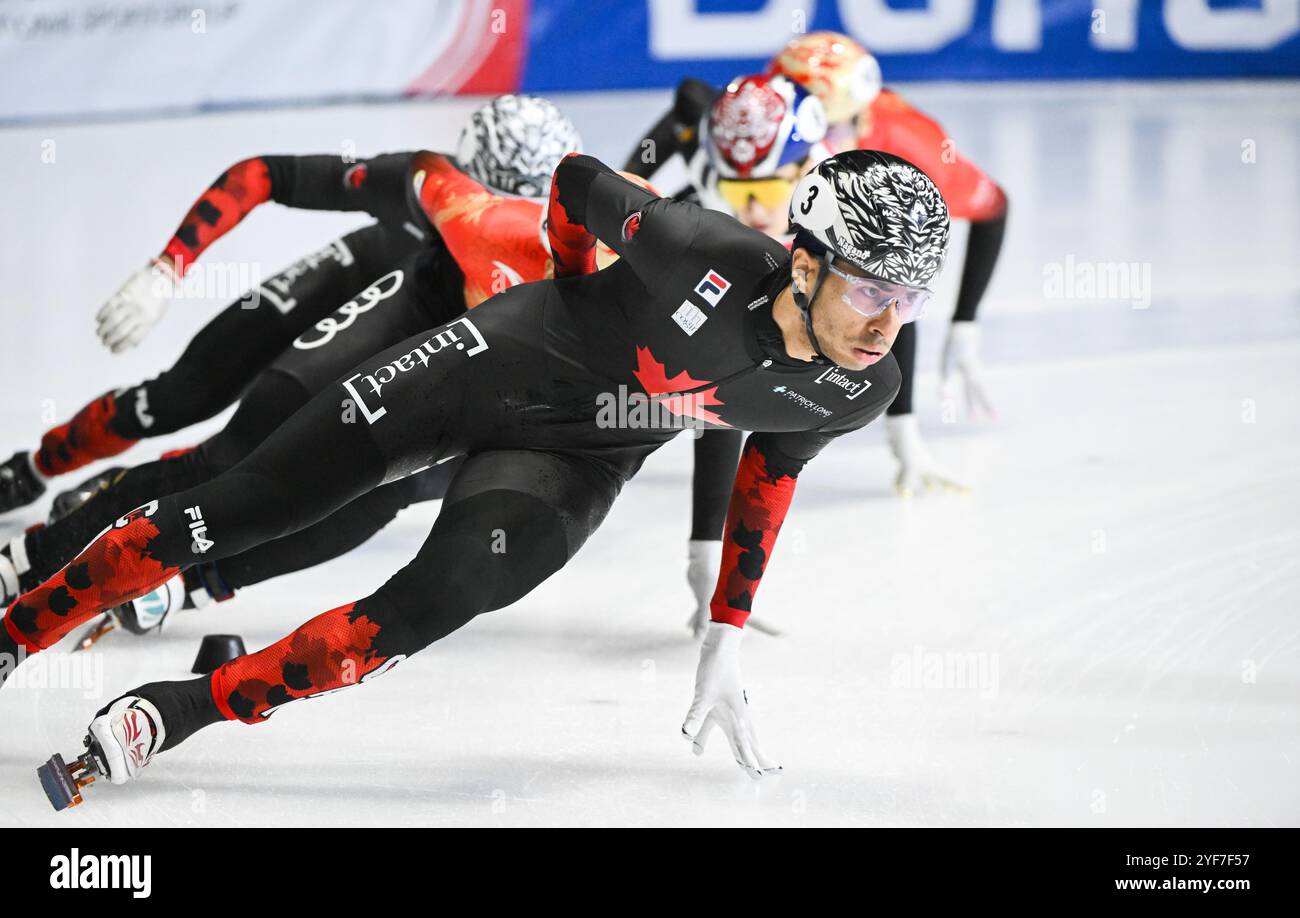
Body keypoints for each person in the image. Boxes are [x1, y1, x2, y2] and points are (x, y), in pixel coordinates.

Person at [5, 148, 949, 798]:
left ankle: (182, 712)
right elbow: (576, 182)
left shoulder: (859, 389)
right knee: (239, 506)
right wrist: (572, 283)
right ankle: (15, 633)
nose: (886, 322)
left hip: (577, 460)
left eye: (908, 297)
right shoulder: (701, 250)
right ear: (804, 263)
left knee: (426, 605)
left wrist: (725, 634)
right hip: (496, 358)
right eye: (870, 288)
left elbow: (768, 478)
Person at [0, 96, 582, 622]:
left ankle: (192, 580)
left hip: (477, 366)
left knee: (377, 489)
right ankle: (39, 483)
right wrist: (168, 267)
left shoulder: (601, 268)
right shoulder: (443, 195)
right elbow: (267, 174)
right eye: (487, 205)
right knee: (196, 411)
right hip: (399, 287)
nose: (503, 228)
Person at [627, 30, 1009, 497]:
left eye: (842, 126)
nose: (840, 140)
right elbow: (689, 102)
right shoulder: (751, 124)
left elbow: (894, 292)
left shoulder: (904, 156)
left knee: (866, 284)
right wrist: (632, 184)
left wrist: (964, 323)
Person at [625, 72, 830, 635]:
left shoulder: (833, 203)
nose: (757, 211)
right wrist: (633, 176)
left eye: (768, 193)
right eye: (740, 194)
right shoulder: (703, 168)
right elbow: (689, 94)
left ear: (804, 173)